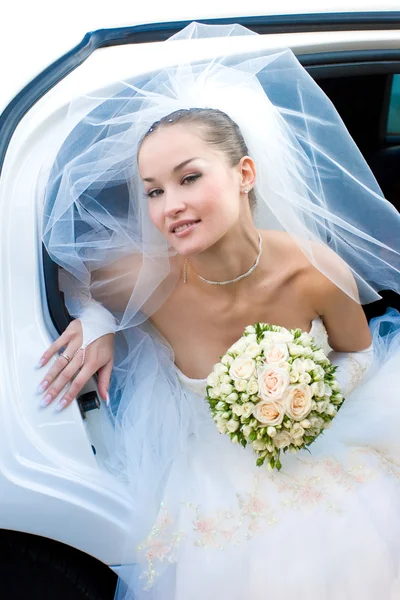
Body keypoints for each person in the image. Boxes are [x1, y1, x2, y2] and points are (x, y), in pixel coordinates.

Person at [39, 23, 400, 599]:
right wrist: (100, 321)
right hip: (213, 477)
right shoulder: (144, 280)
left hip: (322, 450)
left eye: (189, 178)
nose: (169, 207)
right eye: (153, 190)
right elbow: (71, 271)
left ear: (245, 173)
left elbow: (358, 355)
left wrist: (302, 400)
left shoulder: (315, 270)